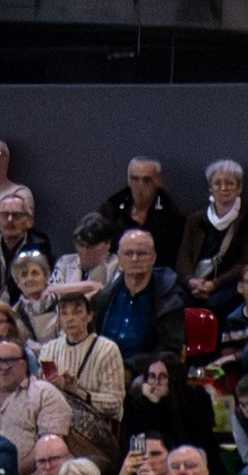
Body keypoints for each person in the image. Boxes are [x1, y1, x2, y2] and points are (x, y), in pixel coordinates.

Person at [38, 287, 125, 472]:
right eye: (64, 313)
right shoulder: (48, 349)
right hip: (53, 426)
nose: (70, 318)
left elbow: (115, 404)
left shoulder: (107, 349)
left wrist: (77, 391)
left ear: (89, 316)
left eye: (77, 312)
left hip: (93, 434)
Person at [92, 229, 185, 367]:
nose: (134, 259)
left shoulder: (170, 300)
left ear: (153, 257)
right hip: (104, 368)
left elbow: (171, 353)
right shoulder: (104, 299)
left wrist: (131, 368)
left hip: (146, 373)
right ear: (119, 259)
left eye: (141, 253)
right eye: (128, 253)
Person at [0, 336, 70, 475]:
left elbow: (49, 446)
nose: (4, 367)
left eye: (11, 360)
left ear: (24, 364)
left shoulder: (44, 393)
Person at [177, 158, 246, 305]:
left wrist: (214, 285)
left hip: (229, 285)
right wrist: (191, 281)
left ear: (239, 188)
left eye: (229, 183)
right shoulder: (195, 219)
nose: (223, 188)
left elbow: (243, 263)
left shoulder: (245, 219)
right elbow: (184, 255)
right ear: (210, 188)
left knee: (214, 305)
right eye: (217, 183)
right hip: (196, 283)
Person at [99, 155, 185, 261]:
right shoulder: (112, 208)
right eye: (135, 179)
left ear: (158, 181)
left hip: (157, 267)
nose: (140, 186)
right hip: (118, 265)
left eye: (147, 180)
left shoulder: (172, 214)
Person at [0, 195, 51, 302]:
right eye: (4, 215)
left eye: (16, 215)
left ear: (29, 221)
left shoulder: (40, 247)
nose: (9, 220)